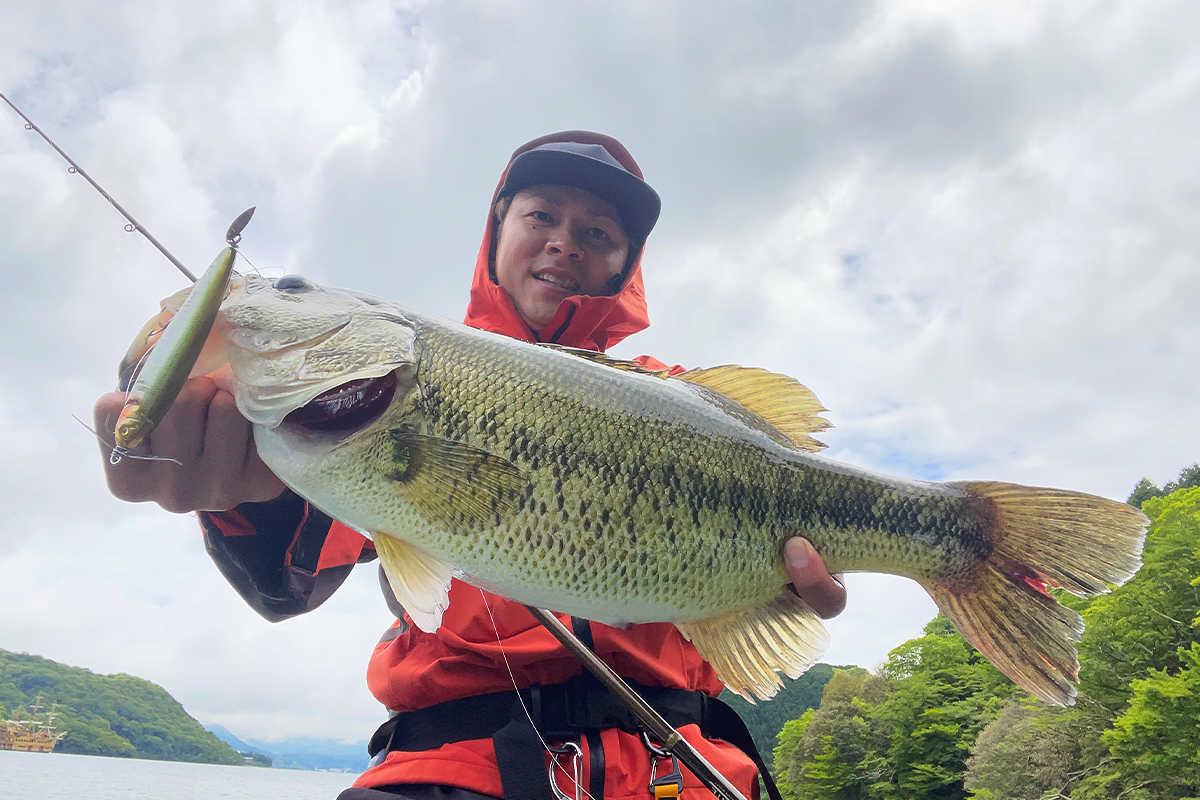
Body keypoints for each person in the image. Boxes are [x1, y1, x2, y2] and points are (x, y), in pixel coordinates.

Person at [94, 131, 846, 800]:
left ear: (628, 265)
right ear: (496, 230)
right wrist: (237, 497)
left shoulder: (683, 400)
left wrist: (794, 579)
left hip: (681, 770)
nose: (564, 241)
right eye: (541, 216)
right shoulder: (393, 386)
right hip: (453, 771)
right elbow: (287, 582)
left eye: (597, 230)